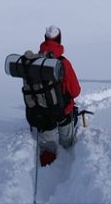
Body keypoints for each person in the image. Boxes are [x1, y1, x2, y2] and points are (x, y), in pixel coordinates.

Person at [35, 25, 81, 166]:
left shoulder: (35, 62)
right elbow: (75, 91)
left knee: (47, 149)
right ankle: (68, 159)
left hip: (42, 112)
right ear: (59, 40)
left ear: (45, 39)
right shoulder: (63, 63)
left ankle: (48, 167)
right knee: (67, 142)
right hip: (63, 112)